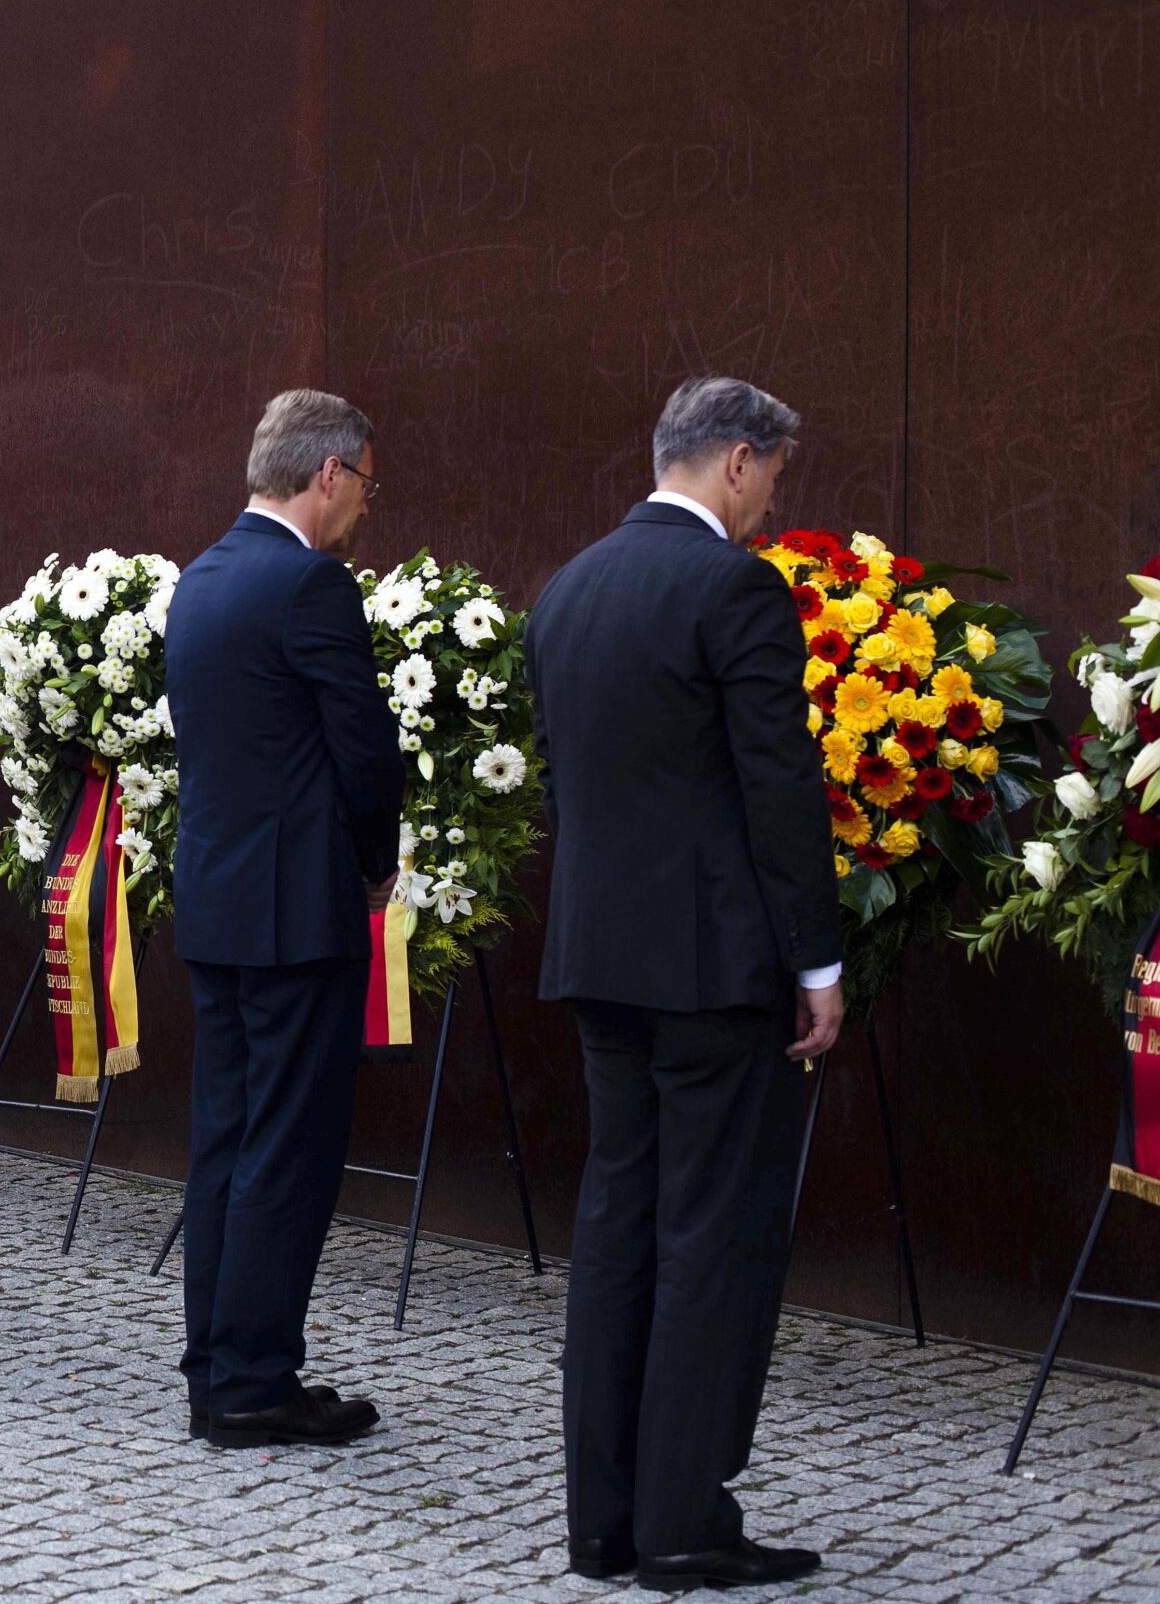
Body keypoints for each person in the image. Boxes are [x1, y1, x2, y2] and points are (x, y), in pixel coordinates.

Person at [525, 376, 843, 1591]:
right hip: (713, 969)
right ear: (738, 463)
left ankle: (602, 1522)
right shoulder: (731, 586)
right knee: (709, 1236)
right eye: (772, 476)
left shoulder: (570, 585)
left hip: (600, 958)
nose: (770, 501)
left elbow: (566, 784)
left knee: (616, 1230)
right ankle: (681, 1524)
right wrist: (817, 961)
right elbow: (777, 785)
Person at [164, 389, 403, 1450]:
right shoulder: (307, 582)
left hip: (218, 905)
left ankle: (218, 1366)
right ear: (328, 474)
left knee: (224, 1141)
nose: (361, 506)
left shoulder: (206, 574)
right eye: (363, 483)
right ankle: (256, 1380)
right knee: (286, 1150)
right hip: (294, 911)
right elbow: (361, 752)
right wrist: (374, 868)